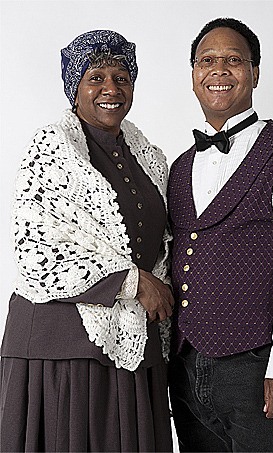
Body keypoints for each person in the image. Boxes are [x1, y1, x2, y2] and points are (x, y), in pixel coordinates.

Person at [0, 29, 174, 452]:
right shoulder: (51, 148)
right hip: (61, 352)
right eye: (96, 77)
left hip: (134, 345)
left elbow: (163, 241)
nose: (111, 89)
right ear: (73, 88)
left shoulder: (147, 155)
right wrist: (133, 283)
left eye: (122, 77)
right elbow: (36, 252)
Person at [168, 17, 273, 452]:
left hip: (258, 369)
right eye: (207, 61)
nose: (219, 70)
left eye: (233, 60)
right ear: (193, 76)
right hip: (186, 370)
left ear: (255, 73)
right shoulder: (179, 166)